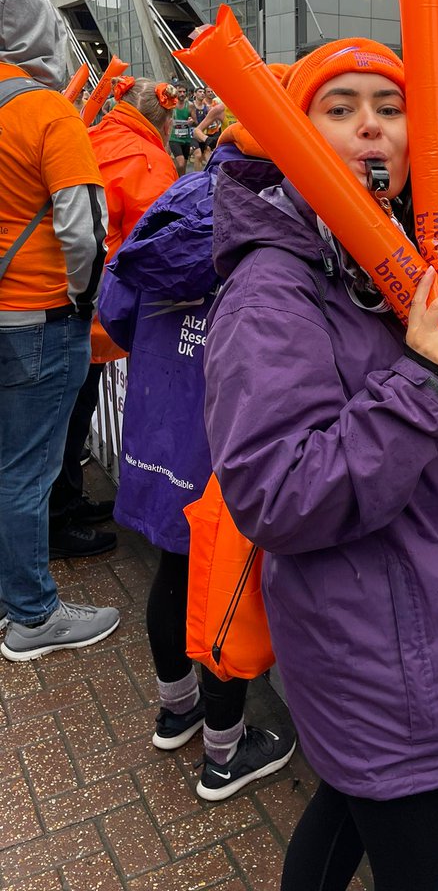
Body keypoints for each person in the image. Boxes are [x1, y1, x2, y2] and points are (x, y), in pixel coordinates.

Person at [202, 38, 438, 891]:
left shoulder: (407, 253)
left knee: (344, 817)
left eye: (390, 108)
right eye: (340, 107)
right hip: (379, 658)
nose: (371, 127)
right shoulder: (271, 290)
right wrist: (426, 374)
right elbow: (279, 494)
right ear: (294, 131)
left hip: (427, 632)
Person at [97, 117, 295, 799]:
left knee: (176, 572)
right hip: (233, 435)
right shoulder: (285, 218)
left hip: (160, 421)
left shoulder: (175, 199)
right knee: (227, 588)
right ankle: (225, 751)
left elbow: (114, 306)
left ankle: (176, 709)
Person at [0, 0, 119, 661]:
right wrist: (80, 297)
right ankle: (33, 616)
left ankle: (11, 590)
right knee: (28, 470)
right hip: (40, 317)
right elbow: (82, 229)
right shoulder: (48, 111)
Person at [48, 78, 178, 557]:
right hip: (104, 303)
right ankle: (57, 520)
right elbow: (164, 241)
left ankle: (66, 501)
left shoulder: (97, 135)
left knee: (66, 414)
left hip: (68, 295)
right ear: (162, 121)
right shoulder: (147, 158)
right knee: (73, 413)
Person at [168, 84, 197, 176]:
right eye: (180, 92)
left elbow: (196, 122)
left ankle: (180, 183)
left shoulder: (190, 106)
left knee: (183, 165)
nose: (182, 94)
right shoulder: (171, 104)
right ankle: (173, 177)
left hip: (186, 139)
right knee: (180, 163)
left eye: (184, 92)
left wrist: (191, 121)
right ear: (176, 92)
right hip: (174, 138)